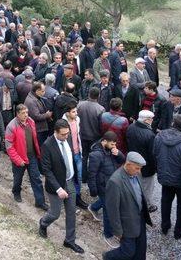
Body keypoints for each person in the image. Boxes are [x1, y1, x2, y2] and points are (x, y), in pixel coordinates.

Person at [38, 119, 84, 254]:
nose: (66, 136)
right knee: (55, 213)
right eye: (63, 134)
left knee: (71, 213)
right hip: (55, 185)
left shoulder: (67, 139)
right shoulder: (47, 145)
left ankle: (69, 241)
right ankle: (43, 223)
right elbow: (46, 169)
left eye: (67, 134)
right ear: (55, 132)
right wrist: (58, 189)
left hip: (69, 182)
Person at [103, 152, 153, 260]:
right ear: (128, 164)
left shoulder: (136, 173)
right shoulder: (115, 182)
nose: (139, 171)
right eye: (137, 168)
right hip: (126, 224)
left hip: (140, 220)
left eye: (140, 168)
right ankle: (107, 257)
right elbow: (112, 210)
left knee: (140, 252)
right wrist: (117, 230)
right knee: (128, 252)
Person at [154, 114, 181, 238]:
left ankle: (165, 226)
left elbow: (155, 153)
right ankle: (179, 231)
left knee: (165, 201)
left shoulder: (160, 136)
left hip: (165, 177)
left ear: (173, 123)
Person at [4, 104, 47, 209]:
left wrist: (38, 153)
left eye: (27, 112)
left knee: (36, 178)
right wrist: (18, 160)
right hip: (19, 158)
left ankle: (40, 202)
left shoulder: (31, 121)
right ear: (17, 114)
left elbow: (34, 139)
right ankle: (16, 192)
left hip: (32, 156)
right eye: (23, 113)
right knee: (18, 178)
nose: (26, 115)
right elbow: (9, 146)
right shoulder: (11, 126)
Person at [88, 131, 126, 247]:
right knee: (109, 210)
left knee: (106, 203)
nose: (114, 147)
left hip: (111, 184)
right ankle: (108, 235)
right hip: (103, 186)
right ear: (104, 141)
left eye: (115, 144)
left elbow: (121, 161)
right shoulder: (96, 155)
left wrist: (118, 153)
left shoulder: (111, 150)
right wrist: (93, 190)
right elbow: (92, 174)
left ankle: (93, 207)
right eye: (112, 144)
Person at [126, 110, 157, 212]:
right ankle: (147, 206)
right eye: (151, 119)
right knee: (147, 188)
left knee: (134, 184)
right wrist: (155, 168)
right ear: (147, 120)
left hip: (132, 162)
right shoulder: (150, 135)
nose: (152, 121)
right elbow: (152, 154)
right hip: (146, 166)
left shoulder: (130, 127)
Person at [62, 103, 88, 209]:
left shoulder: (77, 120)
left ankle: (77, 197)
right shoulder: (62, 123)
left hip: (78, 153)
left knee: (78, 176)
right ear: (67, 113)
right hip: (68, 155)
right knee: (70, 176)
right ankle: (70, 197)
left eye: (76, 111)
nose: (76, 113)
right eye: (73, 112)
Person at [78, 87, 105, 182]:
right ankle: (92, 178)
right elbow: (101, 125)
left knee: (84, 157)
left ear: (89, 94)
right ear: (99, 96)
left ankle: (83, 177)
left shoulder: (80, 106)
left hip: (82, 135)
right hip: (95, 137)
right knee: (94, 159)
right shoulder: (100, 109)